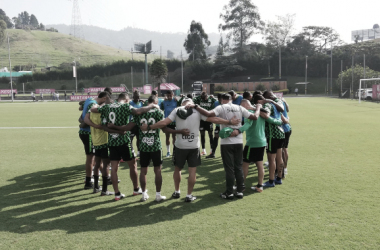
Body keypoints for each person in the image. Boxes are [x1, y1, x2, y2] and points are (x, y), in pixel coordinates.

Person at [143, 97, 239, 202]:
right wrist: (229, 122)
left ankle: (177, 191)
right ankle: (189, 195)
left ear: (183, 103)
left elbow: (164, 123)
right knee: (192, 171)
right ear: (192, 103)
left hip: (180, 145)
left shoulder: (177, 110)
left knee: (177, 169)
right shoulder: (197, 111)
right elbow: (214, 119)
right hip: (194, 145)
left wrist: (149, 127)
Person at [109, 95, 190, 202]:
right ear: (155, 102)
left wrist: (113, 127)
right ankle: (158, 195)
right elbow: (165, 129)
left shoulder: (140, 114)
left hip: (143, 146)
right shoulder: (158, 112)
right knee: (158, 171)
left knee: (143, 171)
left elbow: (127, 128)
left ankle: (143, 194)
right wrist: (179, 131)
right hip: (155, 145)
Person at [91, 93, 159, 201]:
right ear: (127, 99)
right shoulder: (125, 106)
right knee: (133, 165)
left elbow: (104, 126)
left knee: (113, 168)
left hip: (112, 142)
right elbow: (137, 111)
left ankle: (117, 194)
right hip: (124, 141)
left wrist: (114, 129)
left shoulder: (106, 107)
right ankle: (136, 189)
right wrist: (152, 106)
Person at [194, 93, 263, 200]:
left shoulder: (221, 107)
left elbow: (208, 113)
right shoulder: (239, 107)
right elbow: (254, 117)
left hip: (226, 143)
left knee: (229, 169)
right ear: (231, 99)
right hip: (239, 141)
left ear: (222, 100)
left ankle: (229, 192)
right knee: (238, 167)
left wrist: (196, 106)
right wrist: (258, 108)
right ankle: (240, 191)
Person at [239, 97, 288, 193]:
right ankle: (262, 185)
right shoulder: (265, 110)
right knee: (260, 164)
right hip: (264, 141)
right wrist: (281, 122)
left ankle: (241, 185)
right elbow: (274, 119)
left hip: (253, 142)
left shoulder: (251, 112)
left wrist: (238, 130)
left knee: (245, 163)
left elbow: (248, 124)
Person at [83, 93, 121, 195]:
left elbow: (85, 119)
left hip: (95, 141)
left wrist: (94, 125)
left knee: (97, 164)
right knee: (106, 165)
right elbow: (107, 126)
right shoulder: (105, 111)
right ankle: (104, 190)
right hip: (105, 141)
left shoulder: (93, 110)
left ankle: (96, 187)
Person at [79, 93, 108, 189]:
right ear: (104, 98)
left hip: (85, 133)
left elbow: (81, 107)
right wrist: (97, 126)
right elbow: (86, 120)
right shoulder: (93, 104)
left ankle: (105, 177)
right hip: (88, 133)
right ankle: (88, 181)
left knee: (94, 156)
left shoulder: (89, 99)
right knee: (91, 157)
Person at [262, 90, 286, 187]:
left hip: (272, 134)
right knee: (279, 157)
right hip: (280, 132)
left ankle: (271, 181)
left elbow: (266, 115)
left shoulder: (268, 105)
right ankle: (279, 178)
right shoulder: (278, 102)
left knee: (271, 159)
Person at [193, 91, 217, 156]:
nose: (204, 100)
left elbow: (216, 101)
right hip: (201, 120)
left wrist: (213, 97)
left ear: (207, 96)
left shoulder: (211, 99)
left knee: (210, 135)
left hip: (209, 120)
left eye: (205, 98)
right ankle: (203, 150)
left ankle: (212, 150)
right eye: (202, 98)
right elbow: (193, 100)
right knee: (202, 135)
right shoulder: (199, 99)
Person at [160, 90, 178, 157]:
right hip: (167, 122)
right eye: (168, 96)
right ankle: (168, 151)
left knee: (174, 137)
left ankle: (174, 151)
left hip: (174, 122)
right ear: (166, 96)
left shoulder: (176, 101)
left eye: (170, 95)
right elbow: (160, 108)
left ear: (173, 95)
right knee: (167, 137)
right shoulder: (164, 102)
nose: (169, 97)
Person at [207, 93, 223, 158]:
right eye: (219, 99)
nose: (220, 100)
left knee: (225, 139)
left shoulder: (226, 104)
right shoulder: (216, 103)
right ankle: (212, 153)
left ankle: (225, 154)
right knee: (216, 137)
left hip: (225, 125)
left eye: (221, 99)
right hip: (218, 125)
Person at [129, 90, 144, 157]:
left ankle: (139, 151)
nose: (137, 99)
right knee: (130, 139)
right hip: (131, 124)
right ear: (133, 97)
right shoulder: (130, 103)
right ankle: (132, 151)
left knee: (139, 139)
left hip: (139, 124)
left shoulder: (141, 103)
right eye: (136, 97)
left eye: (138, 97)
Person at [281, 98, 292, 176]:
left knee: (280, 150)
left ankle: (281, 170)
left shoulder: (275, 104)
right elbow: (287, 111)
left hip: (281, 129)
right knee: (285, 149)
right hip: (288, 128)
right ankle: (285, 168)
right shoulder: (282, 102)